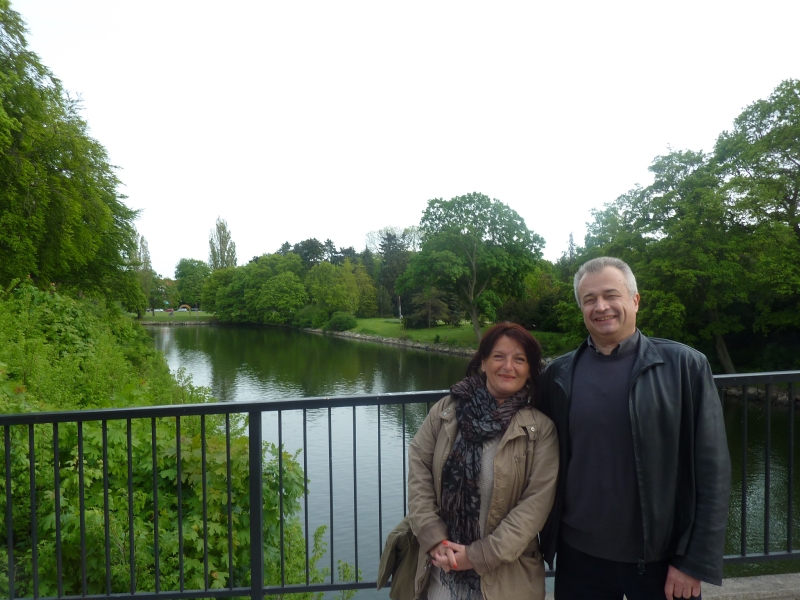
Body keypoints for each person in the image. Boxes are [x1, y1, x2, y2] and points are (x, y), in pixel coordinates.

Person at [539, 257, 731, 600]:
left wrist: (693, 561)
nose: (601, 307)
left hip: (663, 560)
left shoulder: (685, 366)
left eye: (611, 295)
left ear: (635, 300)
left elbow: (713, 472)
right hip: (579, 559)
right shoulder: (559, 374)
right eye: (589, 299)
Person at [407, 322, 559, 600]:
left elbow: (535, 506)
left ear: (530, 370)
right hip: (442, 570)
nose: (508, 367)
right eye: (499, 356)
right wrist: (432, 537)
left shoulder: (540, 430)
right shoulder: (446, 410)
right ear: (483, 362)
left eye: (519, 359)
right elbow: (419, 467)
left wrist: (477, 556)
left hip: (505, 580)